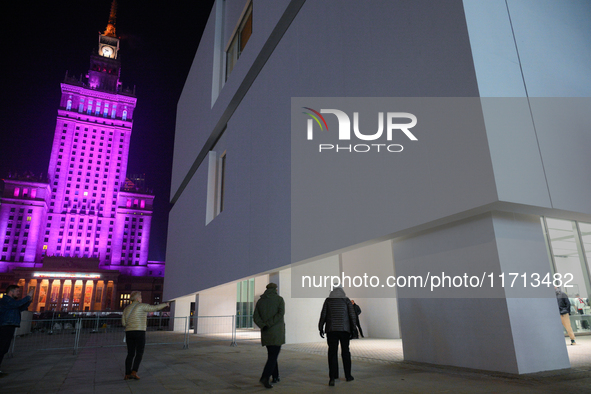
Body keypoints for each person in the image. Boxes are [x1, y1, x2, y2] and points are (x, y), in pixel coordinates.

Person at [121, 291, 169, 380]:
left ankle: (127, 374)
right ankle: (134, 372)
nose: (141, 298)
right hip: (139, 331)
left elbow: (123, 323)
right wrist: (165, 304)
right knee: (139, 352)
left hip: (129, 332)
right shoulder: (142, 306)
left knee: (130, 353)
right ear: (137, 298)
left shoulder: (126, 309)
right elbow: (154, 308)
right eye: (141, 297)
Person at [318, 286, 357, 386]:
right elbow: (352, 315)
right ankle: (348, 376)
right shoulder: (346, 300)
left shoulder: (328, 300)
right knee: (345, 352)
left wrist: (320, 327)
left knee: (332, 353)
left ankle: (333, 377)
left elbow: (323, 315)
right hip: (344, 330)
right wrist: (353, 329)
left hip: (331, 330)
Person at [253, 283, 285, 389]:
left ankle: (275, 376)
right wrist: (269, 324)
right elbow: (280, 314)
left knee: (272, 355)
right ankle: (265, 377)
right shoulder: (279, 300)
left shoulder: (260, 301)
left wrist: (263, 325)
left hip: (266, 332)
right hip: (276, 333)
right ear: (275, 289)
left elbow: (255, 317)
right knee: (273, 356)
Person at [0, 285, 34, 372]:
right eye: (17, 291)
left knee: (4, 348)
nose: (19, 293)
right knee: (1, 347)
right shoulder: (6, 300)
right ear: (11, 292)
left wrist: (29, 301)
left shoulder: (12, 302)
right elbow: (16, 304)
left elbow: (20, 308)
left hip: (9, 326)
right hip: (4, 326)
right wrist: (27, 297)